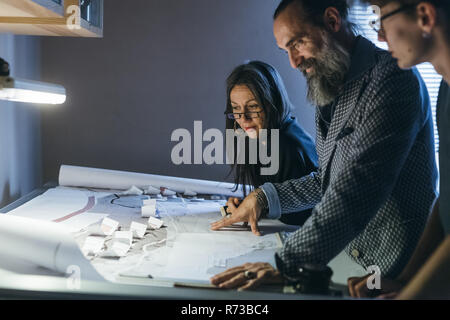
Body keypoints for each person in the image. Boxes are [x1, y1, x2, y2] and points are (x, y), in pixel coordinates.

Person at [210, 0, 438, 291]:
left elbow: (356, 188)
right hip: (348, 253)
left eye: (298, 43)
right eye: (286, 51)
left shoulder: (393, 78)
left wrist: (287, 264)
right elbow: (327, 181)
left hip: (396, 265)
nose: (293, 62)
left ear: (332, 21)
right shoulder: (330, 81)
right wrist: (263, 198)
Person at [347, 0, 450, 299]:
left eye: (381, 19)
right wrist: (405, 281)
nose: (379, 36)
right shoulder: (445, 89)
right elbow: (447, 204)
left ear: (425, 16)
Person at [224, 61, 318, 226]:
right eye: (236, 109)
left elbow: (295, 218)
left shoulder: (288, 147)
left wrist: (259, 205)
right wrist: (248, 204)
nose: (243, 119)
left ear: (272, 104)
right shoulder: (266, 135)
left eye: (252, 107)